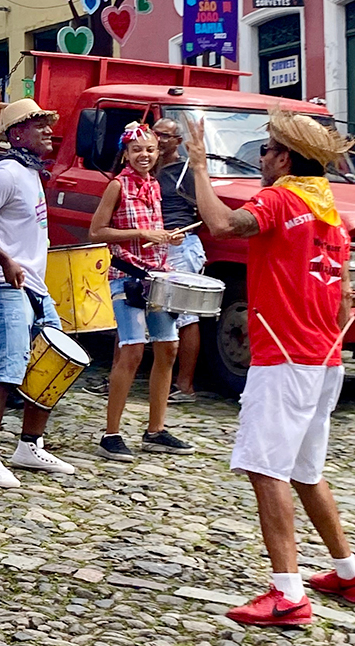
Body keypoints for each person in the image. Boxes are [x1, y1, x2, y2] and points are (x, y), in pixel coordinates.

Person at [186, 110, 355, 627]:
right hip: (324, 355)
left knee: (266, 469)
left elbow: (221, 224)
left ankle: (287, 594)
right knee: (306, 472)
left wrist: (198, 166)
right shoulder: (329, 212)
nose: (259, 158)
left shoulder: (280, 199)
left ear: (284, 159)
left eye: (263, 150)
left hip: (284, 355)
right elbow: (345, 296)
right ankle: (348, 572)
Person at [0, 99, 76, 489]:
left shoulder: (30, 174)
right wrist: (4, 258)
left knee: (52, 365)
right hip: (2, 284)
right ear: (16, 134)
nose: (48, 130)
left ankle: (29, 444)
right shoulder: (6, 173)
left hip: (34, 286)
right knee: (6, 369)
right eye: (37, 124)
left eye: (47, 123)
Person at [87, 122, 194, 462]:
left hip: (157, 275)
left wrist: (168, 237)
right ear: (127, 154)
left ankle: (155, 429)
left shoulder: (154, 186)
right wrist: (141, 232)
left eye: (149, 149)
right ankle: (111, 433)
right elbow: (97, 231)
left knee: (168, 348)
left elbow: (154, 232)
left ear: (158, 151)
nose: (144, 155)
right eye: (137, 150)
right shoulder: (117, 186)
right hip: (126, 275)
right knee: (131, 351)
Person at [154, 117, 202, 402]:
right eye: (155, 134)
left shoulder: (186, 171)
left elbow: (202, 207)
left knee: (186, 315)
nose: (158, 140)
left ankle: (185, 385)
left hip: (180, 244)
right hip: (157, 244)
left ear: (177, 141)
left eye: (165, 136)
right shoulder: (149, 165)